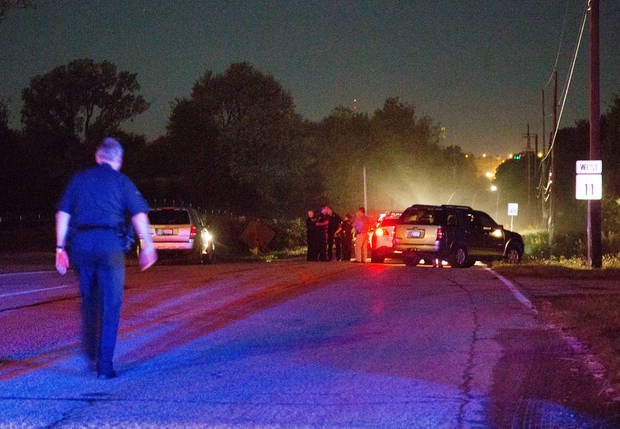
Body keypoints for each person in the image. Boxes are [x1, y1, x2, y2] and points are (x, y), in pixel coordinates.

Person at [55, 137, 157, 379]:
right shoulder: (122, 181)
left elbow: (62, 213)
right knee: (111, 305)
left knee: (89, 301)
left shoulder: (79, 179)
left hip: (82, 245)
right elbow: (139, 214)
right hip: (110, 245)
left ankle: (91, 354)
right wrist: (148, 246)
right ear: (118, 159)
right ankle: (105, 366)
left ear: (97, 156)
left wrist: (60, 248)